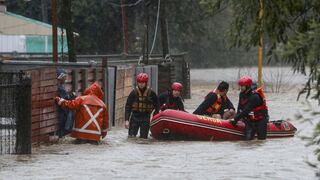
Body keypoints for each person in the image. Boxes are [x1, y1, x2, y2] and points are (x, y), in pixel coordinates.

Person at [230, 76, 269, 140]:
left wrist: (235, 119)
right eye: (240, 86)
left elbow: (246, 110)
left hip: (260, 120)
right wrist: (237, 119)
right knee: (247, 140)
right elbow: (239, 108)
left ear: (247, 86)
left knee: (261, 140)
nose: (241, 88)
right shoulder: (241, 94)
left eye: (242, 86)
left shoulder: (254, 96)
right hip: (250, 120)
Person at [125, 73, 159, 139]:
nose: (141, 84)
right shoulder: (133, 93)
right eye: (139, 82)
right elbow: (128, 106)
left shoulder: (151, 93)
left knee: (144, 139)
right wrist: (126, 120)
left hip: (146, 117)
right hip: (135, 117)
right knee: (131, 137)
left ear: (146, 83)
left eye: (143, 82)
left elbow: (157, 106)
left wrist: (155, 119)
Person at [56, 68, 76, 138]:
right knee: (70, 114)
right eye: (64, 77)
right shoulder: (60, 87)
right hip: (62, 109)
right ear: (61, 77)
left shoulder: (60, 86)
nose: (66, 79)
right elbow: (64, 98)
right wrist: (72, 95)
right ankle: (66, 130)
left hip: (62, 108)